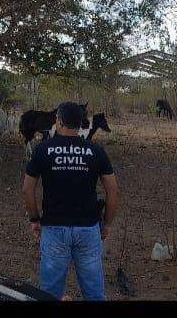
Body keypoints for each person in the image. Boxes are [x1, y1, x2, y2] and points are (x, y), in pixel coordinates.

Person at [22, 101, 119, 301]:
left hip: (54, 229)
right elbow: (113, 190)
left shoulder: (43, 149)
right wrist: (107, 224)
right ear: (81, 123)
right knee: (94, 293)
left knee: (49, 293)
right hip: (88, 230)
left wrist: (34, 219)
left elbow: (27, 188)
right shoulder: (95, 150)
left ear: (59, 121)